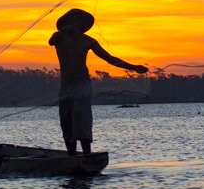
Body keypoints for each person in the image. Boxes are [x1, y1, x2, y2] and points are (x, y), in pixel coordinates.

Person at [49, 8, 147, 155]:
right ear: (67, 23)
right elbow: (51, 41)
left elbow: (110, 59)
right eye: (73, 21)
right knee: (66, 119)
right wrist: (64, 31)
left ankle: (86, 154)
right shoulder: (59, 37)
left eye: (79, 21)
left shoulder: (88, 41)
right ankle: (71, 155)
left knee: (81, 117)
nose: (76, 24)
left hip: (82, 84)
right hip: (66, 86)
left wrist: (133, 67)